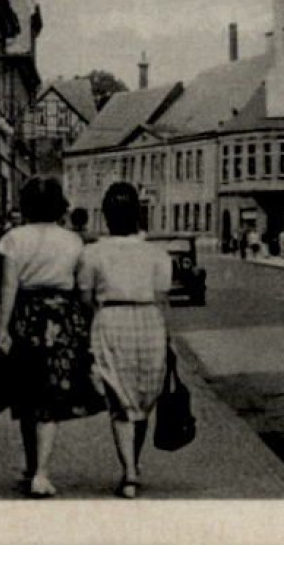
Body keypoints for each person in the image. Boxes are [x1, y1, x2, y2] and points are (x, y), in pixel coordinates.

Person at [0, 177, 103, 498]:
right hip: (62, 318)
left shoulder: (13, 238)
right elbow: (82, 286)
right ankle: (41, 471)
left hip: (26, 316)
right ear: (59, 205)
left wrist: (2, 328)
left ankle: (32, 466)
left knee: (27, 393)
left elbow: (8, 287)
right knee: (51, 396)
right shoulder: (73, 241)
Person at [76, 182, 172, 500]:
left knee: (118, 395)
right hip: (149, 322)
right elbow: (162, 299)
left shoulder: (92, 253)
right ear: (138, 215)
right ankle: (134, 465)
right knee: (143, 397)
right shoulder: (157, 254)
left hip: (111, 320)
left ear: (105, 216)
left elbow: (85, 298)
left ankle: (130, 471)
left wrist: (100, 318)